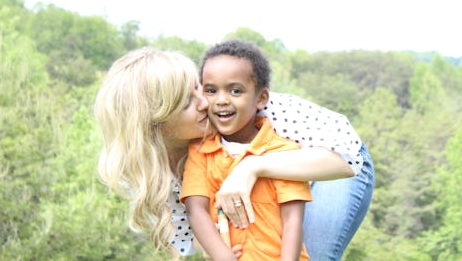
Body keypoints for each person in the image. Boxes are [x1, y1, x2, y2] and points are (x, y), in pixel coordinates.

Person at [94, 46, 374, 260]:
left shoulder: (254, 110)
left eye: (198, 88)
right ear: (156, 124)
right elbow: (191, 238)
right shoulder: (148, 174)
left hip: (330, 168)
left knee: (311, 251)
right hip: (261, 202)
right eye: (187, 103)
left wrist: (252, 167)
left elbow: (346, 160)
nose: (207, 102)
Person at [183, 40, 311, 260]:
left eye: (235, 90)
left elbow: (293, 220)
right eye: (211, 90)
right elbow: (197, 211)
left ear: (261, 98)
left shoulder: (284, 152)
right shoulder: (200, 151)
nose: (221, 100)